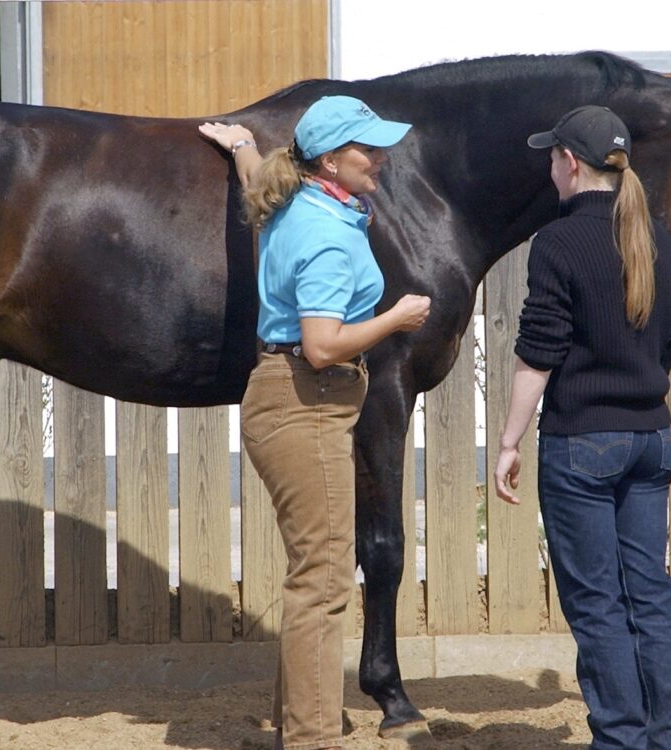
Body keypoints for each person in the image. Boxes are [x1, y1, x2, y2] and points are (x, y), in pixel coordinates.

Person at [200, 96, 431, 750]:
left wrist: (243, 144)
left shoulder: (295, 197)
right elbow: (324, 344)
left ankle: (300, 730)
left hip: (293, 400)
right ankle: (311, 739)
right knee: (324, 582)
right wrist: (397, 317)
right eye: (368, 149)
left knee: (314, 576)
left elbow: (257, 176)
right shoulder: (326, 234)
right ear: (331, 159)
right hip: (310, 399)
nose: (380, 159)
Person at [493, 105, 671, 749]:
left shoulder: (557, 242)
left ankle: (620, 739)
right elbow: (667, 339)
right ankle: (667, 739)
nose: (549, 165)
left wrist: (509, 442)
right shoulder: (657, 239)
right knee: (651, 596)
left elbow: (538, 354)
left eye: (552, 156)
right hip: (650, 440)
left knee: (599, 605)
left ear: (569, 163)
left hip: (583, 444)